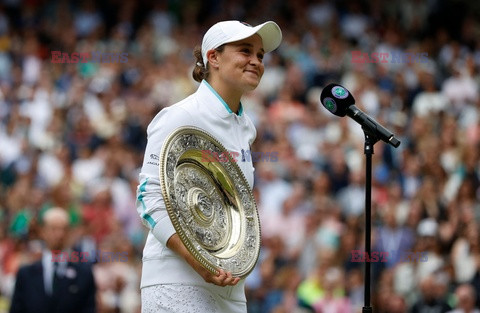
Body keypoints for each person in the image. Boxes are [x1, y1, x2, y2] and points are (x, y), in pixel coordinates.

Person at [135, 20, 282, 312]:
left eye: (260, 55)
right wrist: (197, 261)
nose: (256, 61)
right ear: (213, 57)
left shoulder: (246, 128)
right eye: (245, 51)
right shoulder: (179, 115)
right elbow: (148, 200)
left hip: (229, 287)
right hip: (176, 281)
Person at [9, 207, 96, 313]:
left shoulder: (83, 274)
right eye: (53, 229)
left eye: (64, 229)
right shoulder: (26, 274)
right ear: (43, 231)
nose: (60, 234)